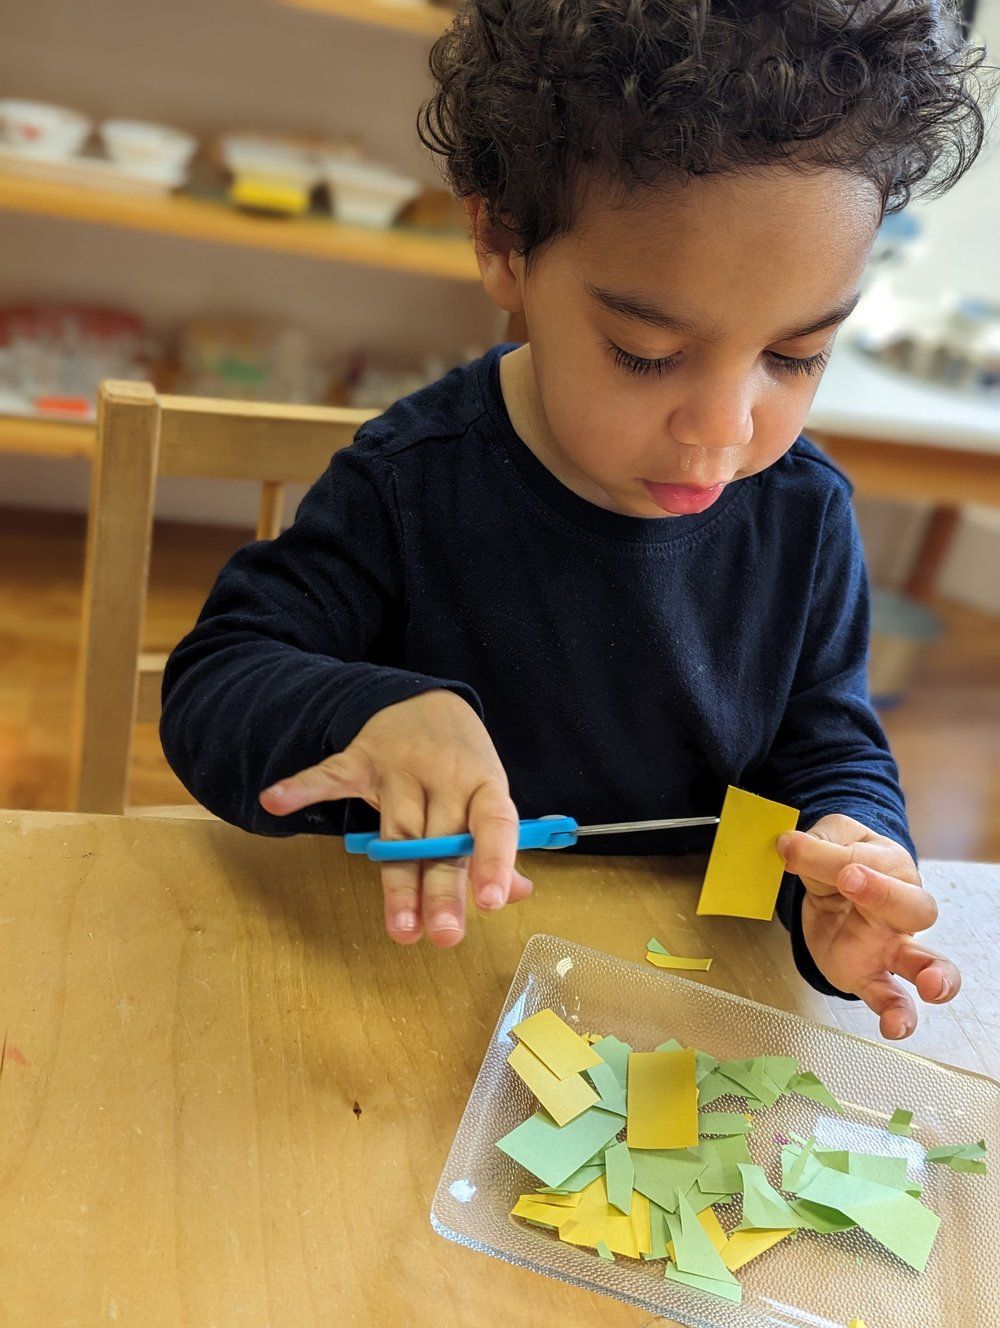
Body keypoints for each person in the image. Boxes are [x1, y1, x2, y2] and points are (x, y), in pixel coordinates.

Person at [161, 0, 991, 1039]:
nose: (722, 431)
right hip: (411, 978)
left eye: (795, 355)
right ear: (502, 244)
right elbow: (216, 681)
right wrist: (368, 711)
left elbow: (822, 744)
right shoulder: (413, 481)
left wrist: (847, 862)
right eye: (647, 353)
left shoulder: (802, 512)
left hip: (682, 989)